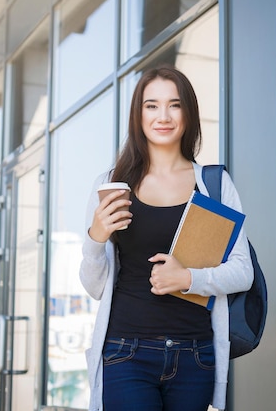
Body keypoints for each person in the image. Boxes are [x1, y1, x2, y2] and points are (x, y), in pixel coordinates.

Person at [79, 64, 253, 411]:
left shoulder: (215, 186)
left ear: (188, 114)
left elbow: (243, 272)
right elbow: (95, 287)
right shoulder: (113, 184)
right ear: (138, 115)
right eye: (151, 105)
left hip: (195, 355)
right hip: (126, 352)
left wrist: (188, 278)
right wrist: (95, 239)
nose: (164, 116)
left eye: (174, 104)